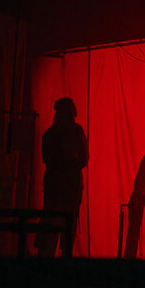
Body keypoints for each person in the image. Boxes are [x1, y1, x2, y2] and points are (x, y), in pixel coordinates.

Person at [35, 97, 88, 257]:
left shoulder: (50, 132)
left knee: (50, 221)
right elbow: (84, 158)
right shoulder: (76, 131)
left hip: (56, 184)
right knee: (67, 223)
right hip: (69, 186)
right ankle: (63, 261)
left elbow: (48, 159)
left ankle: (45, 259)